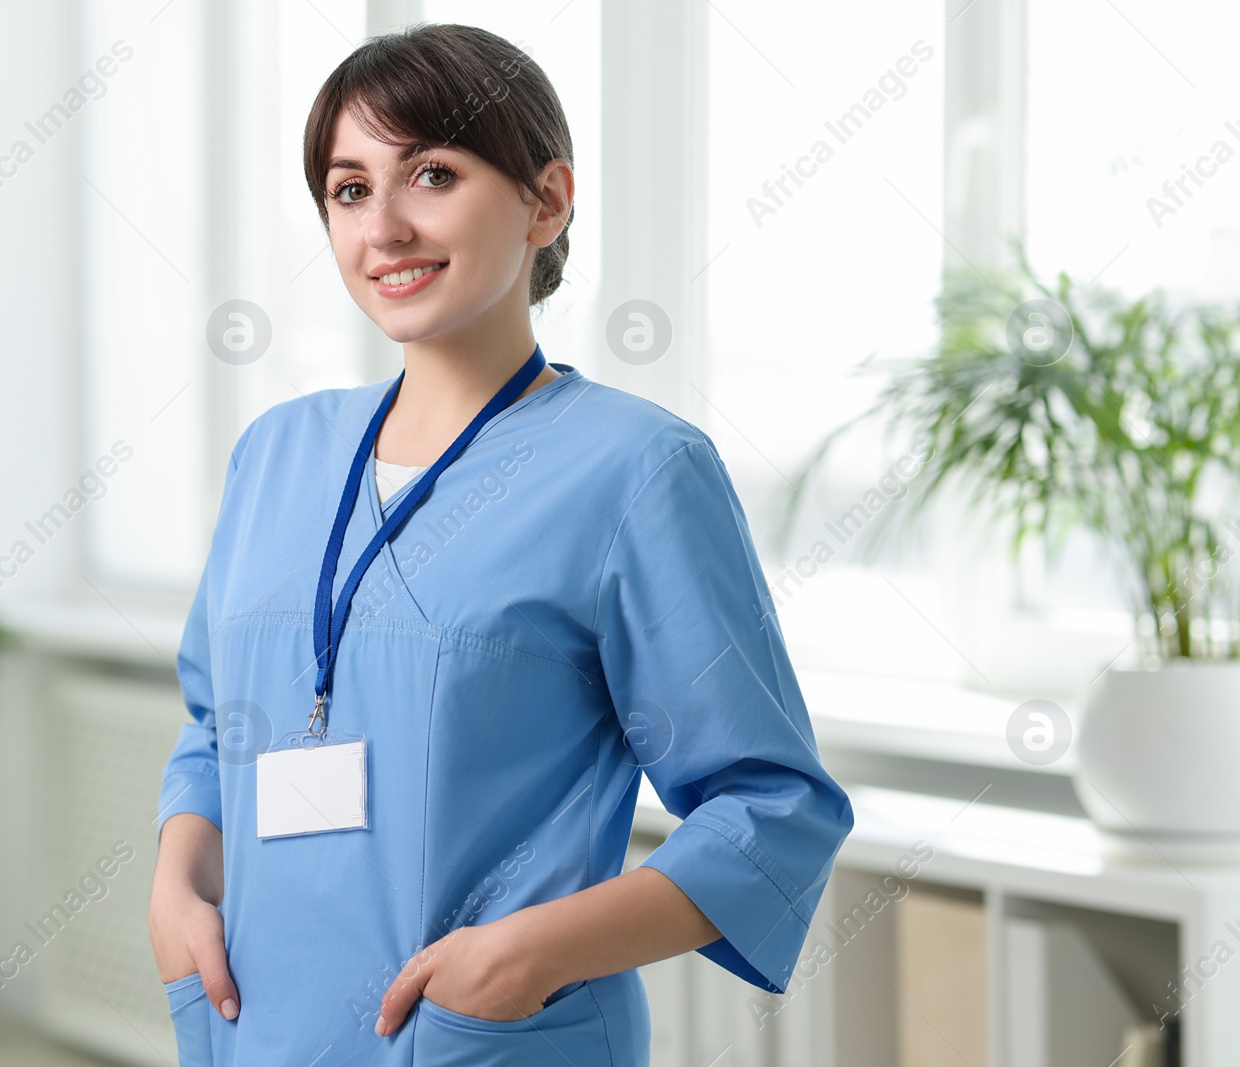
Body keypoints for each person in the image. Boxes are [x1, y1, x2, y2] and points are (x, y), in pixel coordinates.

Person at [147, 23, 853, 1067]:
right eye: (348, 189)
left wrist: (523, 956)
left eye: (430, 173)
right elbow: (217, 728)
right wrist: (176, 886)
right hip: (256, 1026)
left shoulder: (634, 469)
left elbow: (773, 805)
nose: (382, 226)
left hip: (479, 1038)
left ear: (546, 200)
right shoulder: (277, 454)